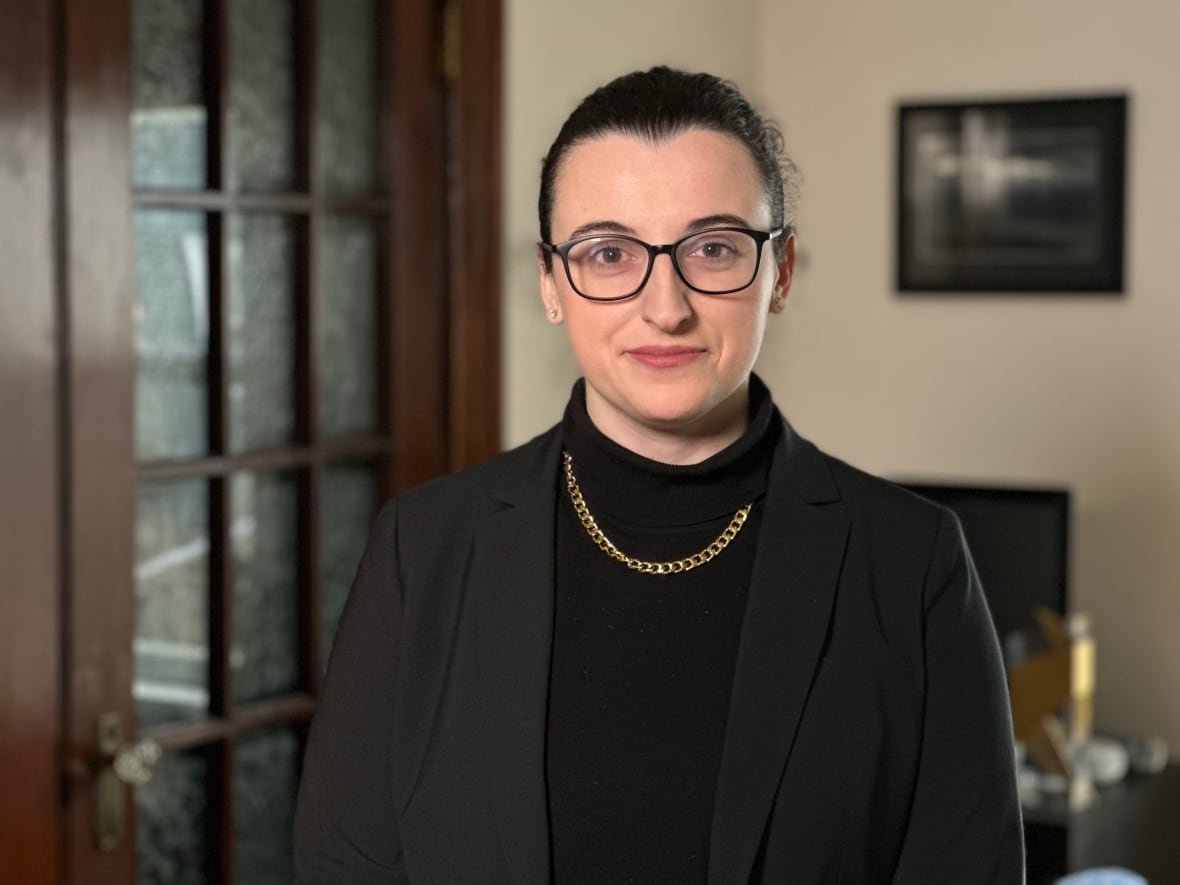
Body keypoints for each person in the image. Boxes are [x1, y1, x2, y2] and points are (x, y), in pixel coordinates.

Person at [293, 66, 1024, 883]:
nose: (665, 304)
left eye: (713, 248)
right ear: (550, 283)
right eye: (608, 253)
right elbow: (341, 866)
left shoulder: (912, 562)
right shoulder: (421, 548)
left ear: (778, 273)